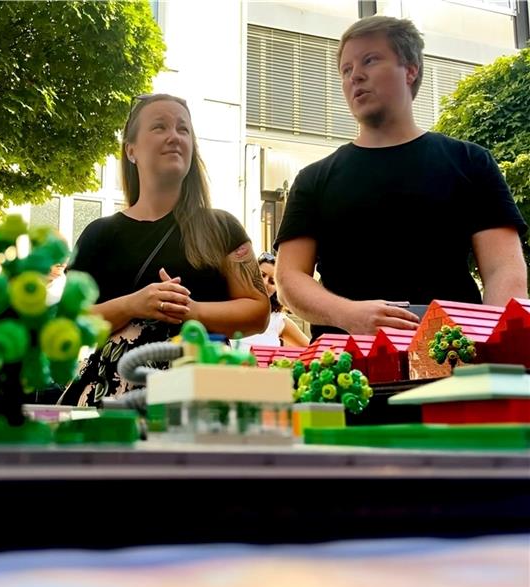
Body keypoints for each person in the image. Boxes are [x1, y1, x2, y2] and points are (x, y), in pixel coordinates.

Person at [275, 15, 528, 340]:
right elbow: (290, 278)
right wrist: (349, 314)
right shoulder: (313, 179)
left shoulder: (470, 162)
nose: (356, 76)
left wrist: (495, 346)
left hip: (454, 365)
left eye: (370, 60)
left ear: (411, 69)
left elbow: (503, 269)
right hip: (346, 374)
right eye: (346, 70)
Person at [59, 93, 270, 407]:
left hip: (202, 395)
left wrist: (191, 310)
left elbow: (258, 310)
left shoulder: (222, 227)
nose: (174, 136)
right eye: (160, 127)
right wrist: (133, 305)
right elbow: (68, 325)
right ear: (131, 150)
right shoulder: (99, 234)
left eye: (183, 130)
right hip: (114, 399)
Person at [238, 252, 310, 350]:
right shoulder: (229, 307)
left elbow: (312, 350)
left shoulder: (278, 321)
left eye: (272, 282)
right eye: (262, 275)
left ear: (277, 290)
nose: (264, 282)